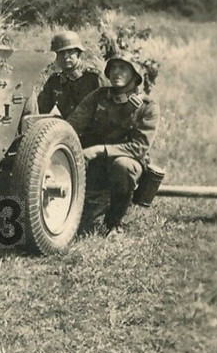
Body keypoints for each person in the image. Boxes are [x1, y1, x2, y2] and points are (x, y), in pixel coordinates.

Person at [66, 53, 159, 235]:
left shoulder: (147, 106)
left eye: (123, 68)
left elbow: (139, 148)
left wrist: (101, 150)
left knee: (123, 166)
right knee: (82, 225)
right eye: (113, 67)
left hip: (126, 163)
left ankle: (114, 223)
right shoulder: (99, 96)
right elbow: (73, 125)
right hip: (95, 165)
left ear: (135, 75)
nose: (116, 72)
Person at [24, 31, 103, 119]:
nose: (65, 56)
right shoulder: (55, 81)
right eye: (61, 53)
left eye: (70, 51)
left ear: (78, 53)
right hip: (67, 126)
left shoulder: (94, 78)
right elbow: (40, 112)